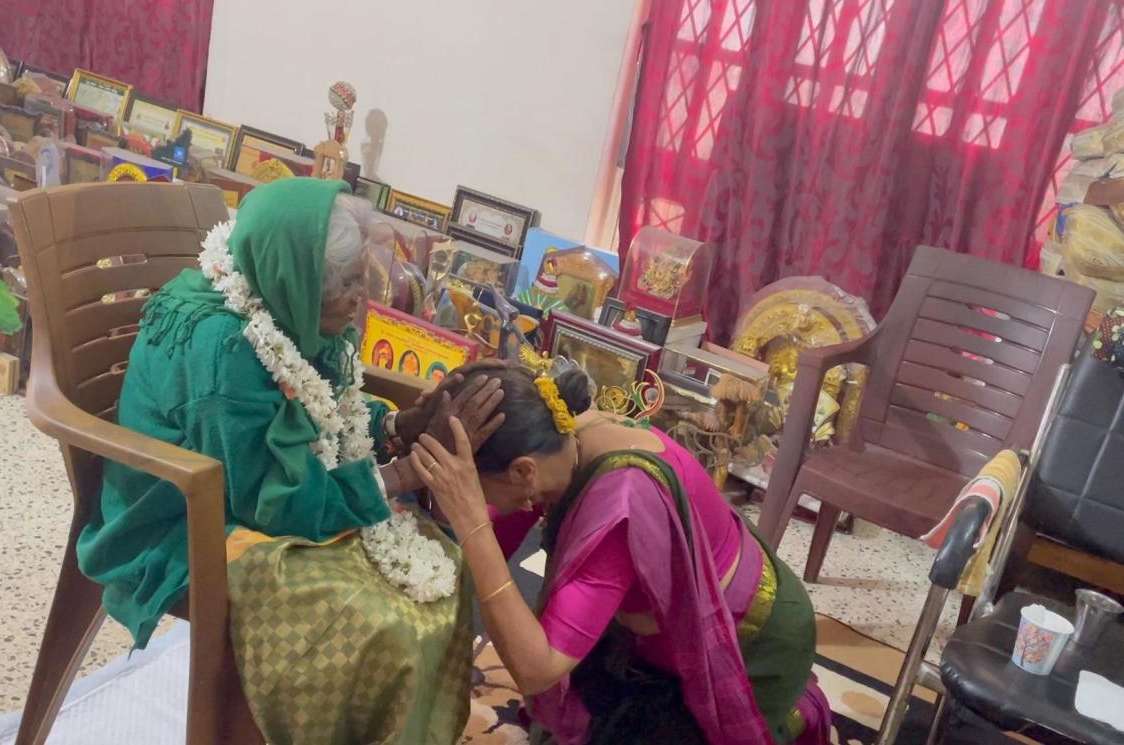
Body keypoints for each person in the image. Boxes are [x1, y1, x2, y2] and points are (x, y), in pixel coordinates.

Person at [77, 178, 503, 744]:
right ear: (295, 278)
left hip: (250, 482)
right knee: (378, 624)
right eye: (346, 284)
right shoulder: (228, 349)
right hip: (186, 518)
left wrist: (396, 426)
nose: (361, 297)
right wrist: (400, 474)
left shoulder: (275, 288)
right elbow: (274, 497)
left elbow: (321, 404)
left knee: (443, 569)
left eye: (360, 277)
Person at [410, 364, 831, 745]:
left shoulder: (622, 502)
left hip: (753, 643)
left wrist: (472, 524)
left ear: (523, 471)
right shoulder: (556, 436)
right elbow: (475, 548)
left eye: (475, 486)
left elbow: (537, 667)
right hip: (649, 632)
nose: (473, 498)